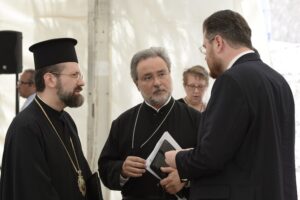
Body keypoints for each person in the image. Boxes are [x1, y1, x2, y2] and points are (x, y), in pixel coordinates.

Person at [165, 9, 297, 200]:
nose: (205, 56)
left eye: (205, 47)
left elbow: (211, 157)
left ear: (218, 42)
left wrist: (177, 158)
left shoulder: (231, 81)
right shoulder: (278, 81)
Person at [0, 38, 102, 200]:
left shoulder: (66, 120)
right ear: (50, 80)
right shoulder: (25, 128)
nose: (81, 82)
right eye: (74, 75)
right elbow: (32, 192)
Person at [98, 47, 201, 200]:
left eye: (162, 74)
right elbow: (105, 168)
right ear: (136, 84)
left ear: (170, 75)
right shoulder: (122, 123)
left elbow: (213, 165)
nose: (157, 83)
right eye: (147, 77)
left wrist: (185, 179)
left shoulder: (197, 119)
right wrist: (122, 170)